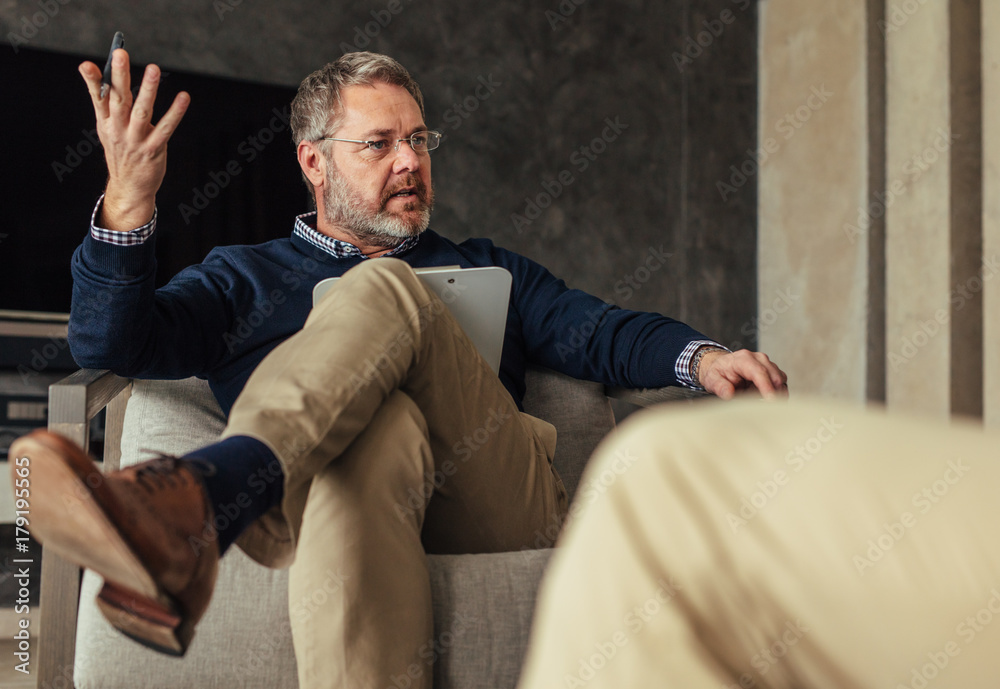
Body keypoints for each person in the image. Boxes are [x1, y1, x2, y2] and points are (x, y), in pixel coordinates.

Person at [11, 50, 786, 689]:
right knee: (374, 439)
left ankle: (211, 494)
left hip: (495, 495)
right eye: (378, 144)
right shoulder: (241, 277)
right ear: (314, 162)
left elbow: (600, 330)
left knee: (384, 284)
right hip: (331, 503)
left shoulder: (482, 263)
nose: (410, 160)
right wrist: (126, 203)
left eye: (418, 140)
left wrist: (703, 357)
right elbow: (112, 346)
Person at [516, 396, 1000, 689]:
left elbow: (598, 327)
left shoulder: (500, 270)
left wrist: (703, 357)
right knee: (662, 486)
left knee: (661, 485)